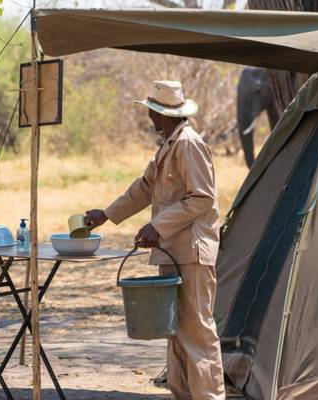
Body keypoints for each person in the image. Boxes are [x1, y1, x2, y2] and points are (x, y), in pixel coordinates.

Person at [84, 80, 225, 400]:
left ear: (161, 113)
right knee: (176, 333)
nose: (148, 115)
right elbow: (145, 187)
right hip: (173, 251)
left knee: (197, 333)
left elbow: (202, 198)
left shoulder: (189, 144)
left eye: (151, 110)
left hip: (191, 251)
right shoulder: (169, 145)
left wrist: (157, 227)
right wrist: (107, 213)